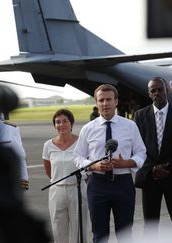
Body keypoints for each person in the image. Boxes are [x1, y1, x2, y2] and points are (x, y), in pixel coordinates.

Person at [73, 84, 146, 243]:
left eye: (109, 99)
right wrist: (94, 166)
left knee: (125, 234)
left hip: (123, 184)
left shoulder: (130, 125)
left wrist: (127, 163)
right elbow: (78, 156)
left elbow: (142, 152)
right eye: (101, 100)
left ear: (116, 101)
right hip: (98, 185)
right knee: (99, 236)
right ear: (96, 102)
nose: (105, 103)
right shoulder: (88, 129)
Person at [133, 77, 172, 233]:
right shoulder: (139, 116)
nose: (157, 93)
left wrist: (167, 167)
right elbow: (137, 146)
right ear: (149, 94)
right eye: (153, 91)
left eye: (160, 90)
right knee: (150, 226)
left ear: (167, 91)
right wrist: (152, 169)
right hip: (149, 177)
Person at [42, 109, 90, 243]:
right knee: (58, 229)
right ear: (54, 125)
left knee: (80, 229)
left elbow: (88, 167)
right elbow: (48, 171)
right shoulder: (48, 145)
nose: (61, 125)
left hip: (77, 189)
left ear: (71, 123)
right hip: (56, 191)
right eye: (57, 122)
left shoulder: (81, 142)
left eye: (65, 121)